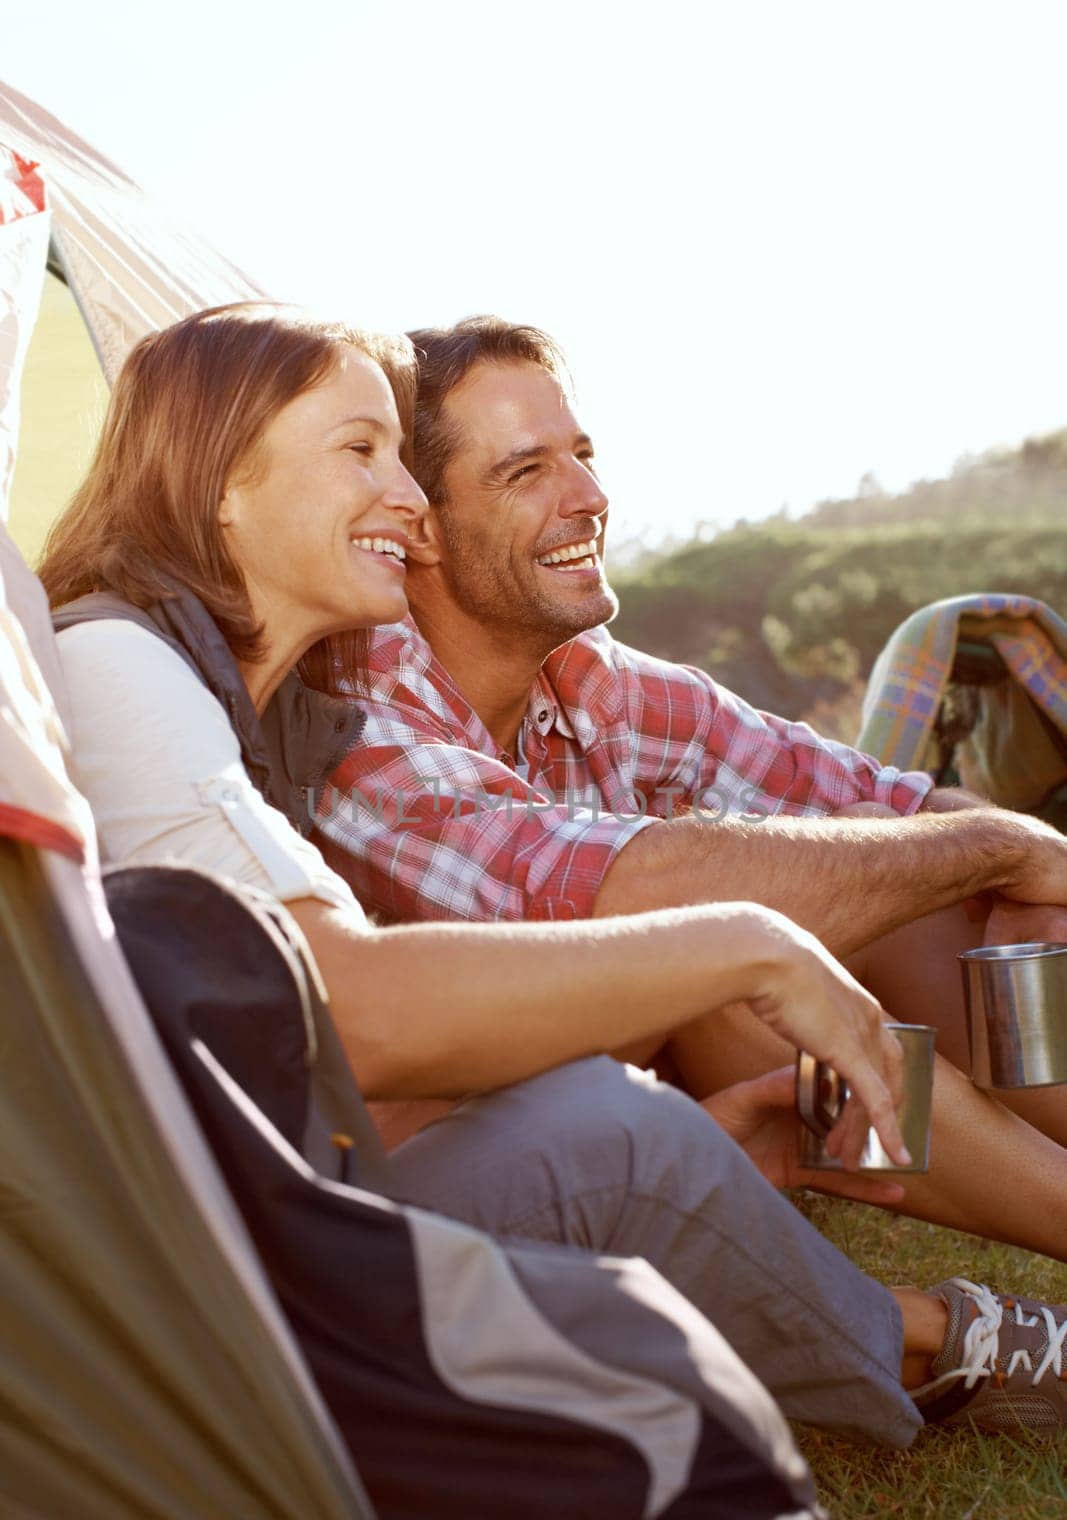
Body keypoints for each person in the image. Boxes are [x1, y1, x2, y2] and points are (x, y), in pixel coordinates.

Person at [40, 303, 1067, 1447]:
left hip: (277, 1188)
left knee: (893, 904)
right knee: (639, 1082)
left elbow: (309, 1064)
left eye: (581, 457)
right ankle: (933, 1334)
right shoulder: (142, 672)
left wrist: (991, 845)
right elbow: (354, 1010)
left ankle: (912, 1305)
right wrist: (740, 948)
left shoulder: (267, 706)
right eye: (360, 452)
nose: (405, 503)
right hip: (200, 1276)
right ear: (221, 479)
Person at [313, 313, 1067, 1249]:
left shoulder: (594, 678)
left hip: (615, 1093)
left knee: (899, 862)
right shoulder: (355, 711)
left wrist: (1017, 865)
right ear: (417, 528)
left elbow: (866, 794)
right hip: (439, 1178)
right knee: (715, 949)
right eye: (525, 471)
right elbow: (605, 904)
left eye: (580, 455)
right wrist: (994, 843)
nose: (588, 495)